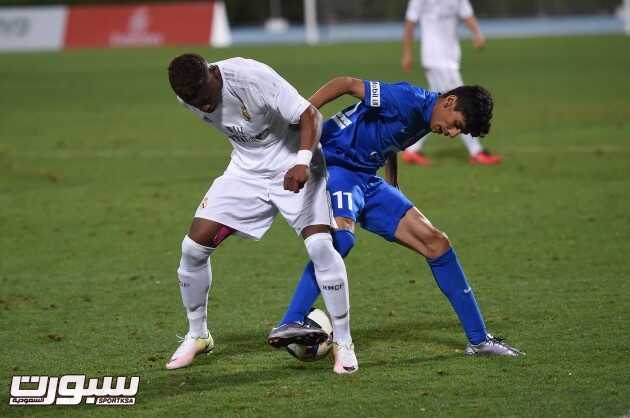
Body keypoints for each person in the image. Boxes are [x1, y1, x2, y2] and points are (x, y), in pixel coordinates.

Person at [267, 76, 524, 357]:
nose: (451, 133)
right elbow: (347, 84)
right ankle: (290, 320)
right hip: (335, 164)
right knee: (341, 240)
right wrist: (305, 114)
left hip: (365, 178)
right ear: (449, 102)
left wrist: (393, 183)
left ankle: (479, 341)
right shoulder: (407, 99)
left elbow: (389, 139)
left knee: (436, 243)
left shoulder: (426, 119)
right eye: (456, 125)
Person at [165, 54, 358, 374]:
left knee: (321, 246)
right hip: (247, 170)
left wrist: (301, 160)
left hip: (296, 163)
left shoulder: (251, 78)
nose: (205, 108)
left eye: (206, 99)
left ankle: (344, 343)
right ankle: (198, 335)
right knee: (193, 247)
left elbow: (310, 115)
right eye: (195, 103)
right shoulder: (189, 93)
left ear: (213, 74)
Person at [400, 0, 502, 166]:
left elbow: (466, 14)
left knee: (435, 107)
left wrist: (477, 33)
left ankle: (412, 149)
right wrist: (407, 52)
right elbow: (410, 22)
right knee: (460, 104)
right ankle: (476, 152)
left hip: (451, 58)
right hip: (434, 58)